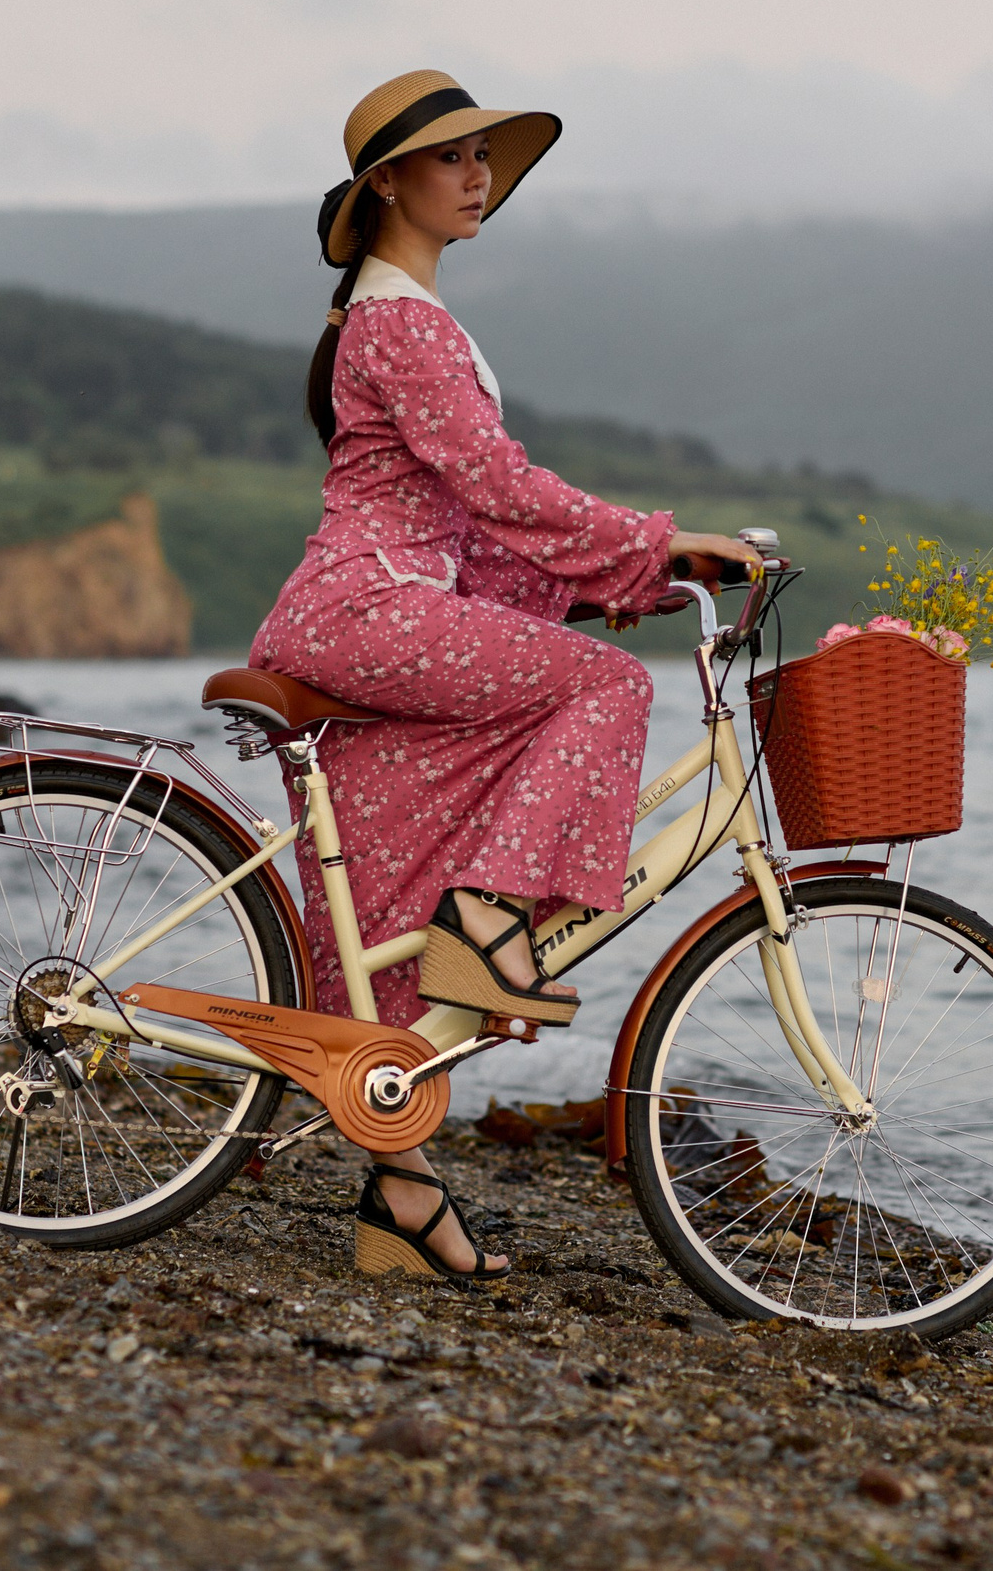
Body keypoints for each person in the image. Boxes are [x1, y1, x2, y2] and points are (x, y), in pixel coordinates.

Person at [246, 71, 759, 1283]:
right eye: (451, 158)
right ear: (386, 185)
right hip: (368, 607)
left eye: (485, 157)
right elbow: (498, 487)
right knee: (605, 691)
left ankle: (402, 1201)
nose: (477, 176)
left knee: (377, 904)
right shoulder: (401, 321)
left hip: (379, 603)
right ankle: (486, 923)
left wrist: (619, 583)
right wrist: (652, 542)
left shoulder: (393, 318)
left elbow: (473, 536)